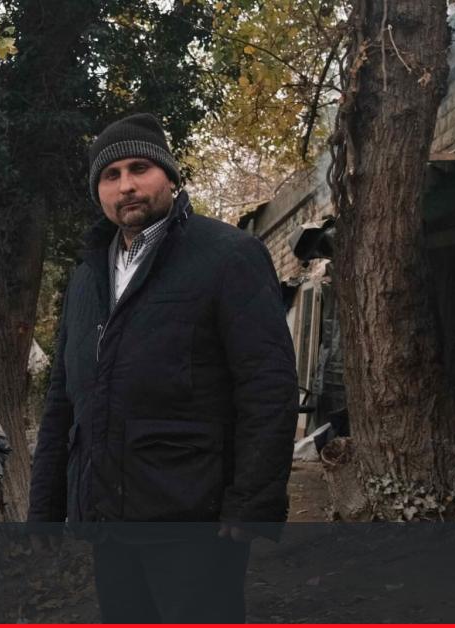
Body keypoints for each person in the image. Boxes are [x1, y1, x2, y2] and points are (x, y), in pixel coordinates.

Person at [28, 113, 298, 623]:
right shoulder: (87, 278)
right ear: (98, 192)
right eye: (111, 176)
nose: (126, 185)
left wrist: (253, 500)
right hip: (109, 516)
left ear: (170, 178)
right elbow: (64, 398)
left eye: (140, 168)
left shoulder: (227, 255)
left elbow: (268, 384)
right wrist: (46, 505)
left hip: (193, 514)